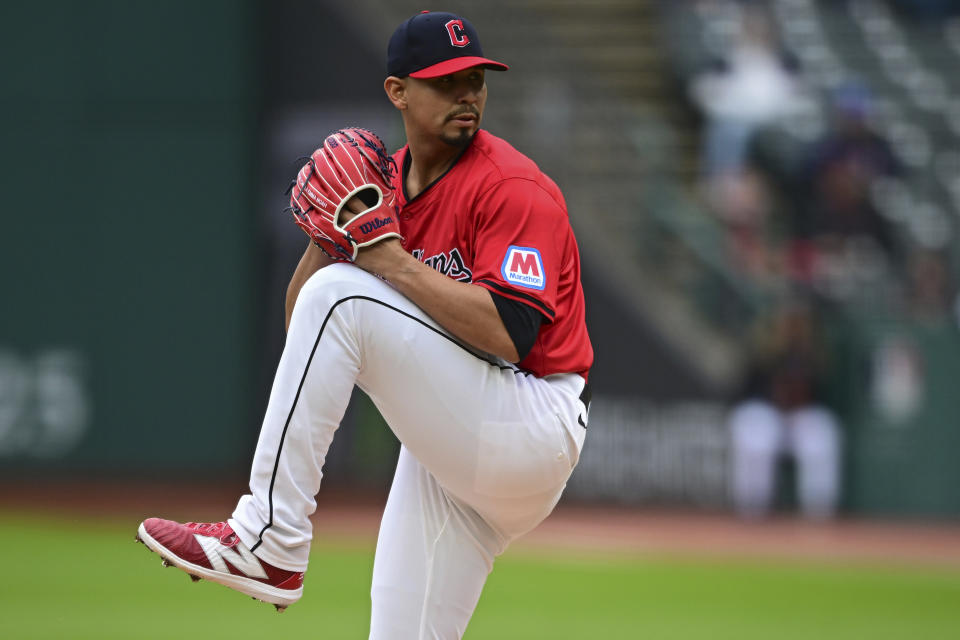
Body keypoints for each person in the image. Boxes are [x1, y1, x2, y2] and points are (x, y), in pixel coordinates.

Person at [135, 11, 593, 639]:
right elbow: (307, 326)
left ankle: (269, 538)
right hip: (451, 449)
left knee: (345, 298)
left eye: (476, 79)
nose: (467, 94)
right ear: (397, 92)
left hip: (530, 422)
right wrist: (328, 237)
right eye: (446, 81)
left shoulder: (512, 187)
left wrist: (387, 263)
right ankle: (272, 539)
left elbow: (509, 336)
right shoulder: (378, 190)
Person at [727, 298, 842, 520]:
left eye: (798, 321)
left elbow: (819, 394)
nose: (793, 326)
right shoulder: (761, 350)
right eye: (789, 321)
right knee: (760, 430)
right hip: (765, 414)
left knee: (822, 431)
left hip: (798, 420)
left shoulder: (812, 354)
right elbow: (743, 392)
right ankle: (753, 507)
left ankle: (819, 508)